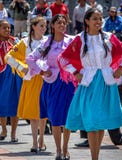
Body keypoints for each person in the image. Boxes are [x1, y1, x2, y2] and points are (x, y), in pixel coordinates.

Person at [58, 8, 122, 160]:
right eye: (95, 19)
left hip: (106, 82)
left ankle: (95, 157)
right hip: (89, 83)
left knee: (100, 122)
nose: (99, 22)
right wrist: (75, 72)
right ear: (87, 21)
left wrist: (120, 68)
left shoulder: (109, 37)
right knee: (92, 122)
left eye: (100, 19)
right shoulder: (80, 38)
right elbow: (63, 58)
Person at [26, 14, 75, 160]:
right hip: (52, 83)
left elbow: (80, 57)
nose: (62, 25)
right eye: (58, 22)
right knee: (54, 116)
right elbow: (30, 58)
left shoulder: (71, 41)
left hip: (68, 83)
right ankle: (58, 151)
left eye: (64, 23)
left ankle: (66, 149)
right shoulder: (47, 43)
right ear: (52, 25)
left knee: (67, 118)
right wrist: (42, 71)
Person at [5, 16, 47, 153]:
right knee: (34, 112)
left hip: (46, 80)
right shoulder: (24, 42)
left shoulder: (48, 41)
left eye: (45, 26)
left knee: (43, 112)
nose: (44, 28)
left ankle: (41, 138)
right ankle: (35, 142)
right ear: (33, 26)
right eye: (41, 25)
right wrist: (21, 67)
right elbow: (8, 57)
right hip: (30, 80)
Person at [0, 20, 22, 143]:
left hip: (14, 76)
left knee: (15, 103)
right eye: (4, 28)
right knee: (1, 103)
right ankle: (3, 129)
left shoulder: (15, 41)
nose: (7, 30)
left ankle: (13, 133)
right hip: (1, 76)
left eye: (8, 28)